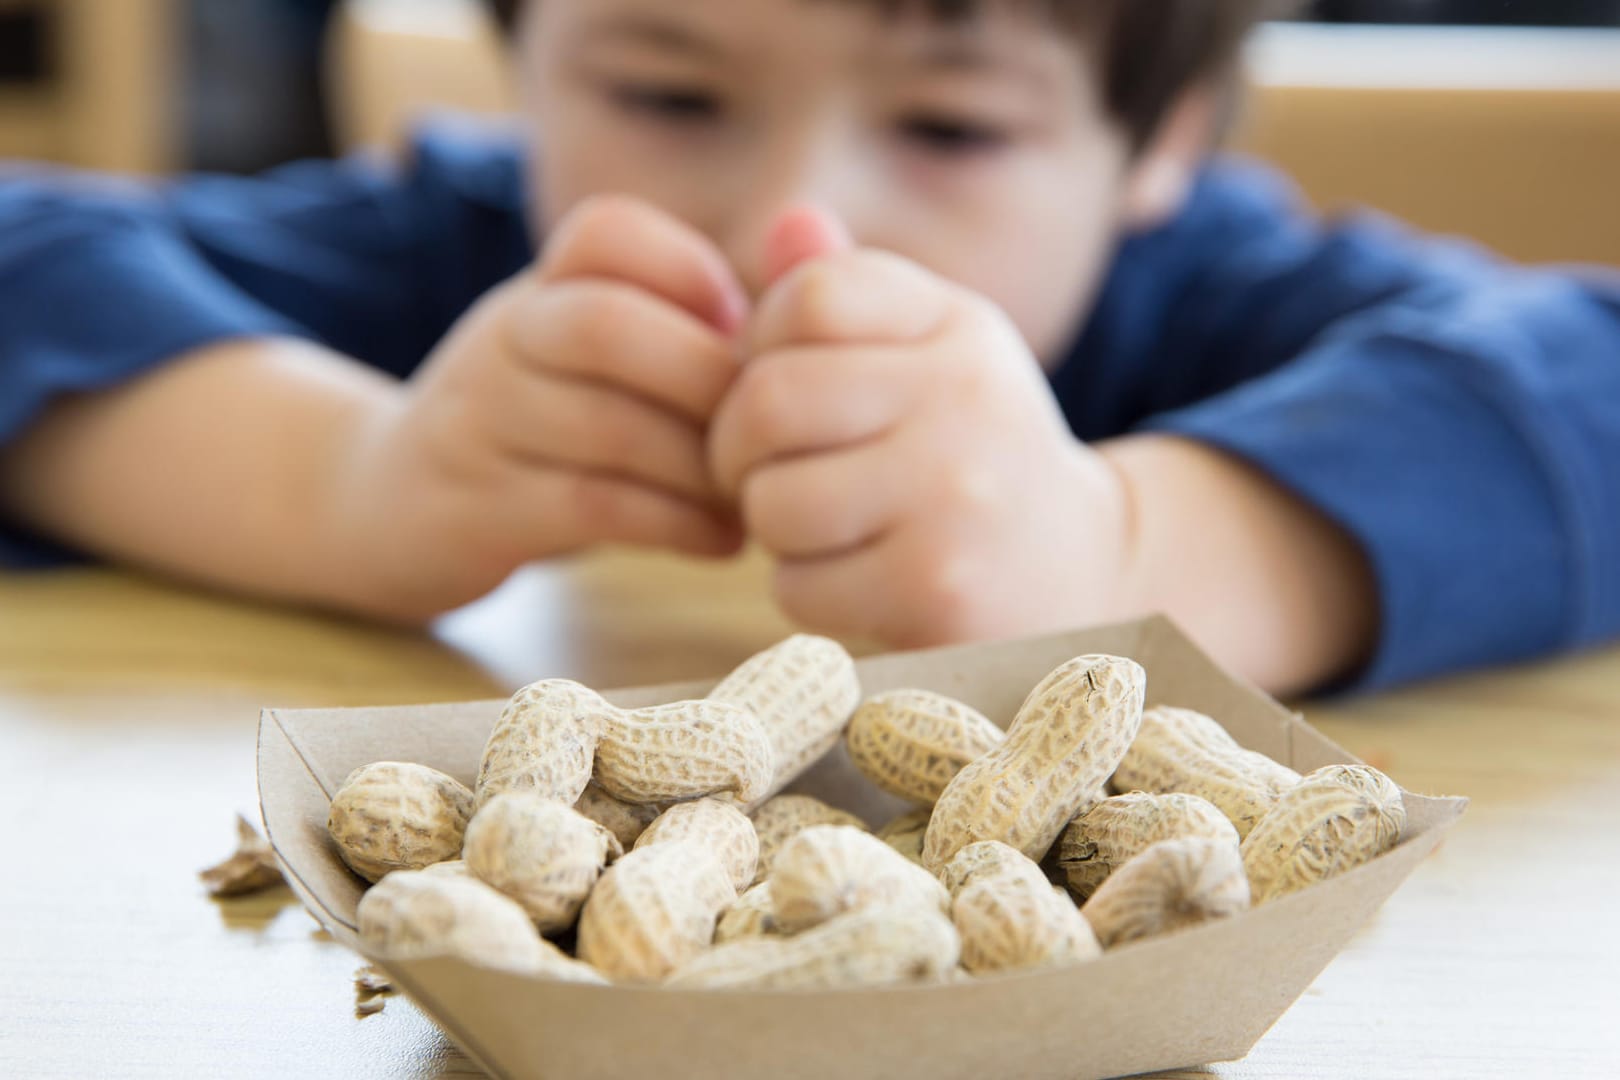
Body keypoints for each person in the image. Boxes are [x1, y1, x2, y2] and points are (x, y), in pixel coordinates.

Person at [1, 0, 1616, 698]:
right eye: (669, 96)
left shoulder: (1208, 294)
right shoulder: (463, 255)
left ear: (1156, 143)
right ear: (521, 56)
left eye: (951, 124)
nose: (793, 223)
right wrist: (339, 476)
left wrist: (1125, 542)